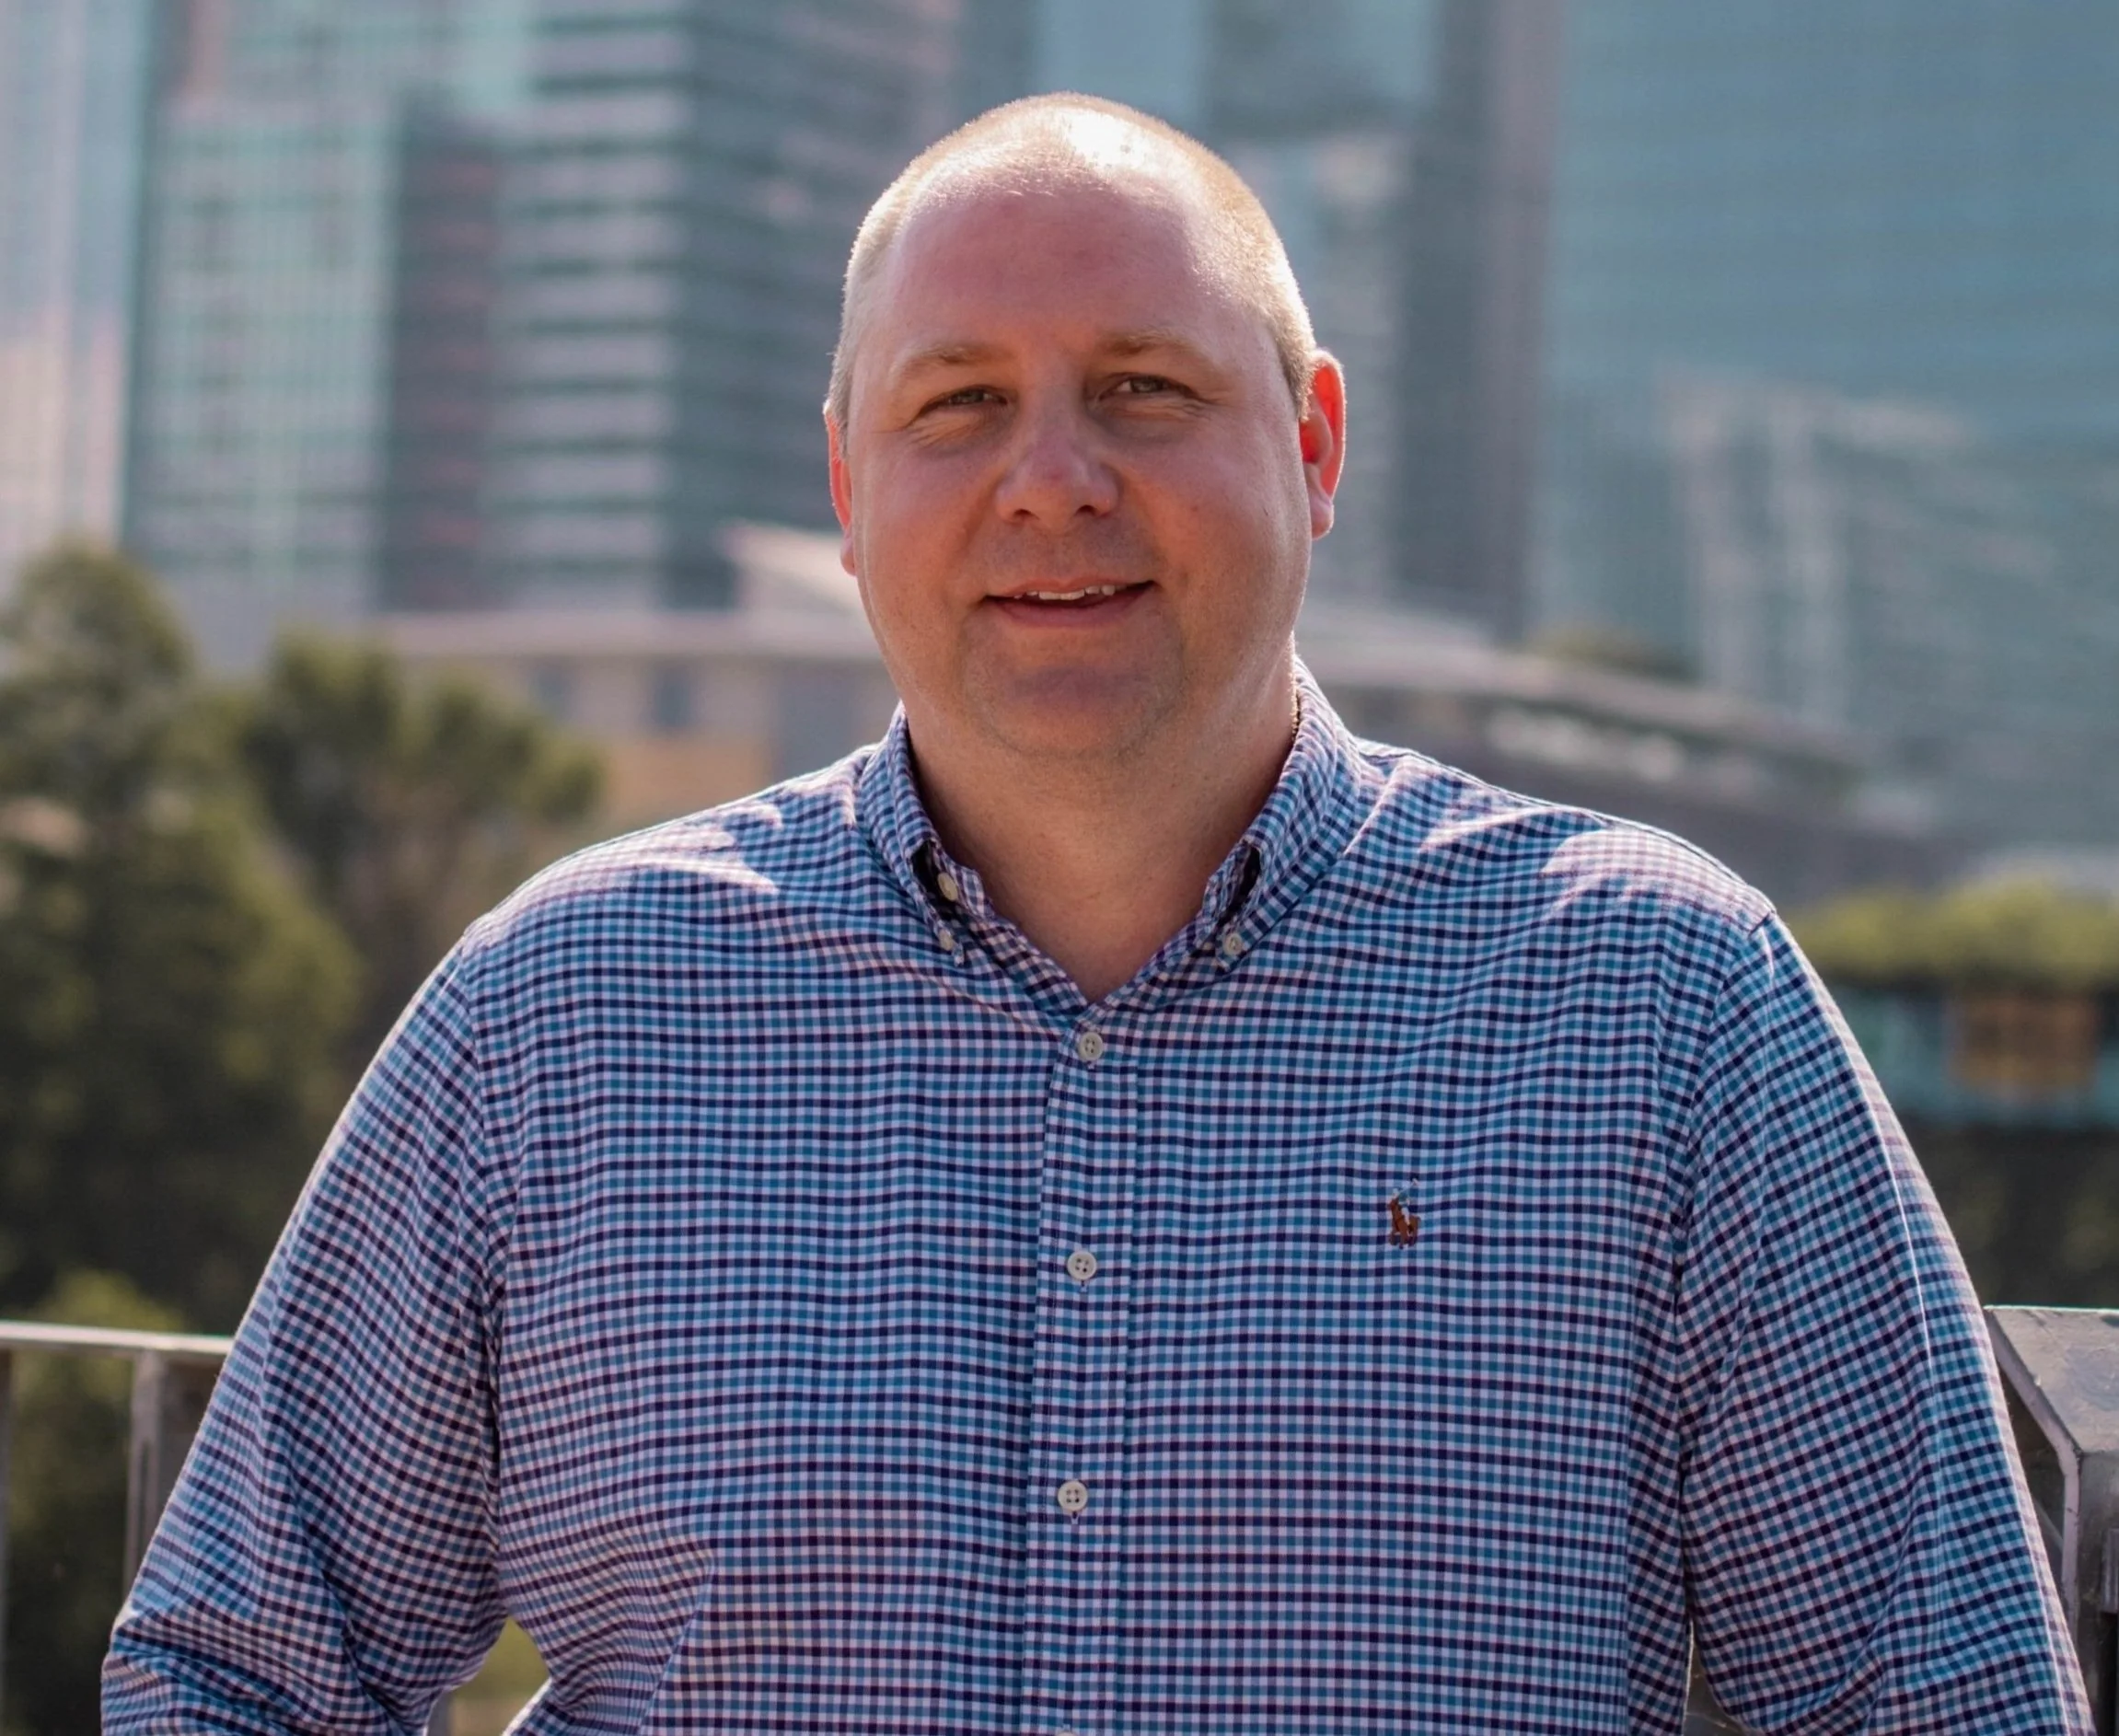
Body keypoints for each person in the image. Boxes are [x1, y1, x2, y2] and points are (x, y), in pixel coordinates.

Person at [109, 95, 2082, 1735]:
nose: (1049, 480)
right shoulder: (561, 1013)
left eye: (1140, 390)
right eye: (957, 404)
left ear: (1309, 444)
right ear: (847, 478)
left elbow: (1943, 1694)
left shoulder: (1665, 1006)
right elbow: (233, 1669)